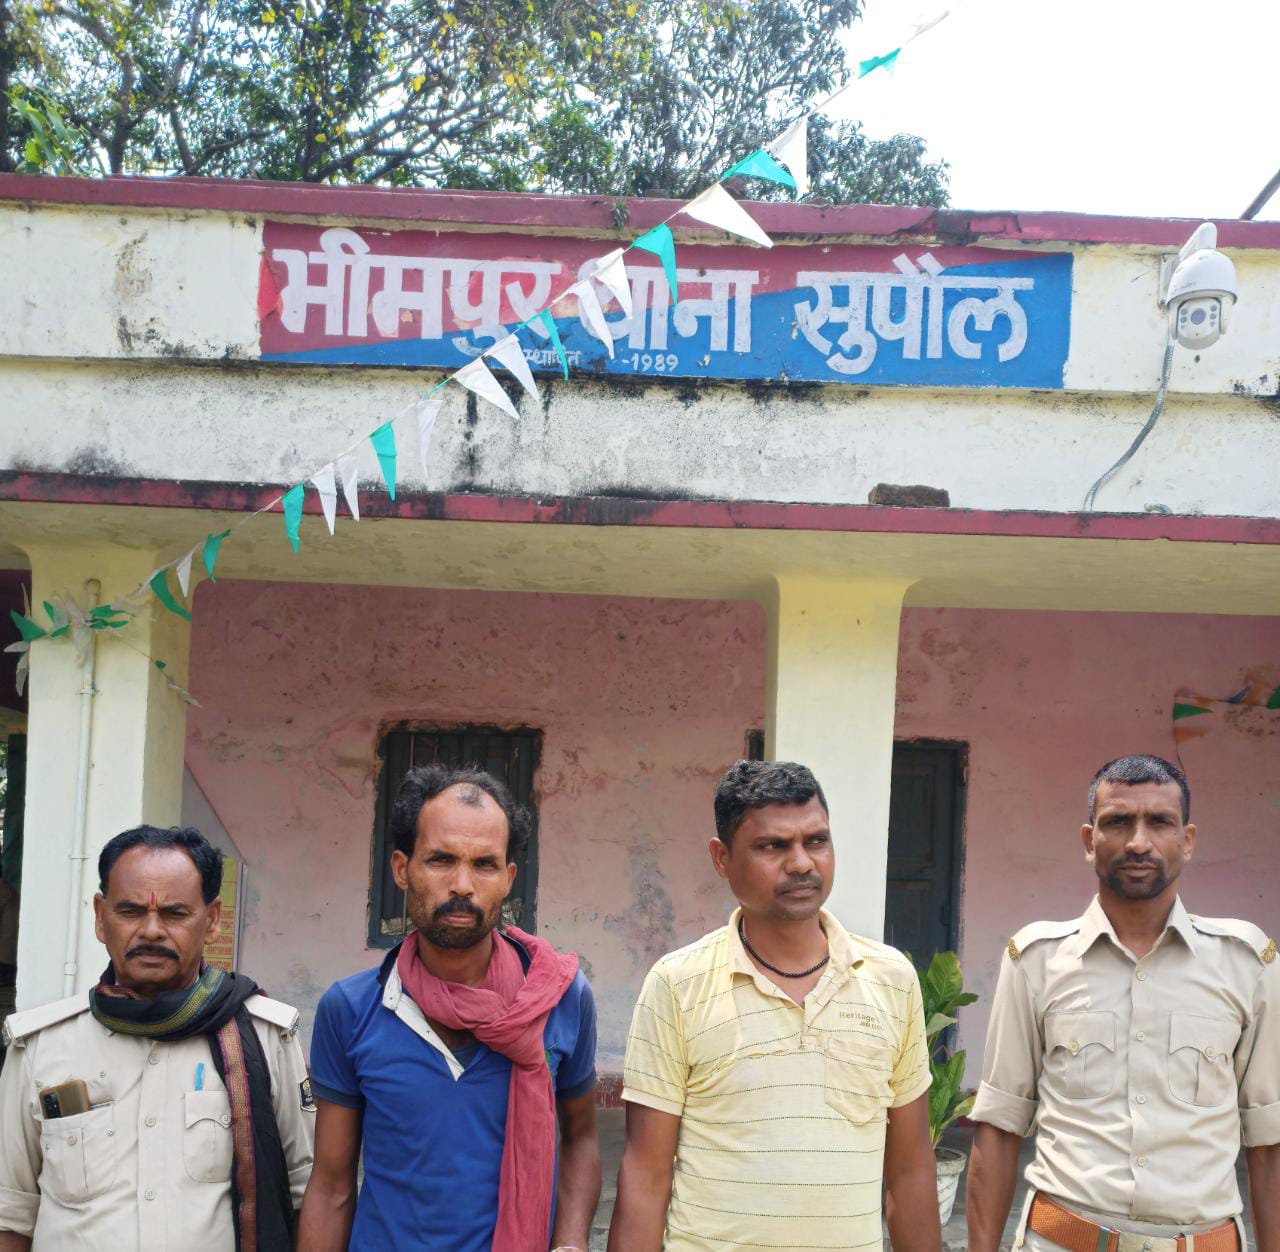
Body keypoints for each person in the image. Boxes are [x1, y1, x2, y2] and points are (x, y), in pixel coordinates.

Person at [608, 759, 941, 1252]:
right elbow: (645, 1174)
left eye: (816, 841)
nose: (802, 863)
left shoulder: (890, 980)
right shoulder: (677, 985)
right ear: (722, 858)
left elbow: (910, 1169)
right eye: (773, 846)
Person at [966, 754, 1280, 1252]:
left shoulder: (1246, 963)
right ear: (1089, 841)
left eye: (1159, 822)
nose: (1138, 842)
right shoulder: (1037, 960)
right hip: (1062, 1241)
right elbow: (1000, 1126)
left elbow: (1269, 1140)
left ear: (1187, 840)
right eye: (1118, 822)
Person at [298, 764, 600, 1252]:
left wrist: (570, 1243)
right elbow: (332, 1185)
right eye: (441, 860)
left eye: (484, 864)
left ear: (508, 878)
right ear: (402, 869)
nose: (462, 884)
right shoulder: (351, 1009)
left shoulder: (560, 997)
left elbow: (582, 1138)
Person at [0, 824, 315, 1251]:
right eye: (130, 912)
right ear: (100, 917)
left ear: (212, 921)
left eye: (174, 913)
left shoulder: (265, 1038)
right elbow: (10, 1214)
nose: (151, 931)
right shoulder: (39, 1047)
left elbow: (305, 1194)